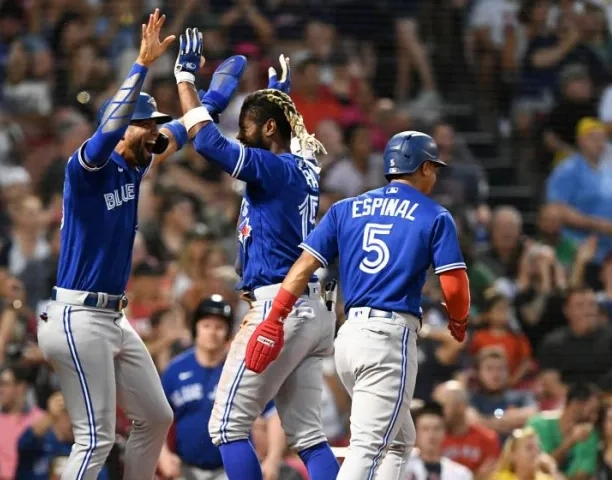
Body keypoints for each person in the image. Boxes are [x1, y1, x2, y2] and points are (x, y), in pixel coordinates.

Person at [37, 11, 244, 480]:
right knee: (95, 439)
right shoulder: (85, 169)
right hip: (76, 315)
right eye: (144, 123)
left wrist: (207, 88)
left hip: (110, 316)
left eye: (154, 123)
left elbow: (190, 127)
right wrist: (141, 64)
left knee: (156, 416)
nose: (154, 130)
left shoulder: (136, 163)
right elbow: (108, 128)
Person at [247, 130, 470, 478]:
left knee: (399, 439)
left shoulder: (345, 208)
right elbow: (454, 287)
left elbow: (303, 266)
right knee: (367, 447)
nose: (436, 175)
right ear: (424, 167)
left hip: (349, 340)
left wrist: (275, 317)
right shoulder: (434, 214)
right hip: (388, 339)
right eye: (434, 167)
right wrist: (458, 321)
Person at [173, 28, 341, 480]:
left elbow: (207, 143)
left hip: (277, 305)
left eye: (248, 123)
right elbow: (289, 133)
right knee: (308, 436)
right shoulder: (302, 165)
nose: (239, 132)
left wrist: (185, 80)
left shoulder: (273, 166)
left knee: (226, 426)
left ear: (269, 129)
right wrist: (277, 97)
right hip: (311, 308)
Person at [158, 295, 284, 480]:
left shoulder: (243, 370)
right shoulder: (175, 370)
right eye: (206, 326)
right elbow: (155, 417)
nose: (212, 332)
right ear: (195, 329)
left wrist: (273, 459)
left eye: (219, 327)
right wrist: (163, 455)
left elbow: (273, 414)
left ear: (228, 333)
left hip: (230, 471)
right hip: (184, 470)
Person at [403, 401, 472, 480]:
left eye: (437, 429)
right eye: (425, 429)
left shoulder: (461, 474)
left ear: (444, 432)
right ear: (416, 432)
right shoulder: (402, 464)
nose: (431, 435)